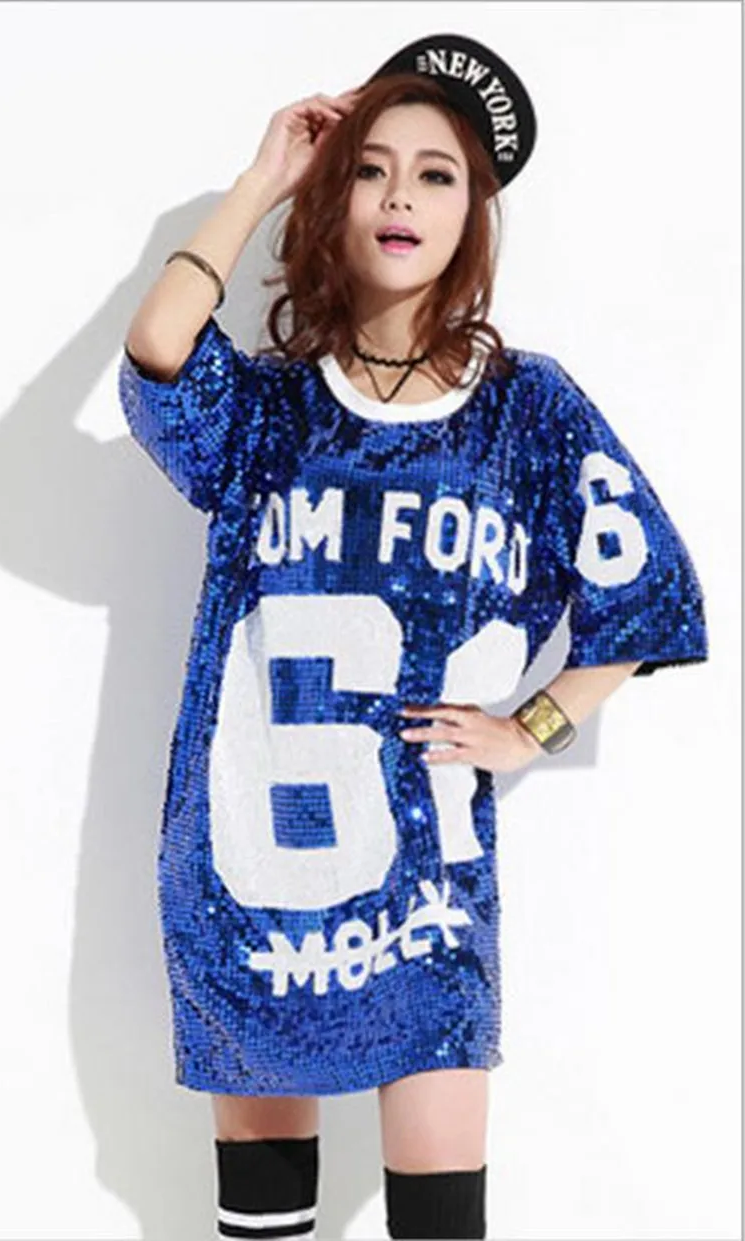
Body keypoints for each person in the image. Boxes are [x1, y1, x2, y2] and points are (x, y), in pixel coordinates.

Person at [118, 33, 708, 1241]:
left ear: (470, 213)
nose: (399, 197)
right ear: (333, 203)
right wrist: (262, 177)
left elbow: (650, 593)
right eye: (370, 170)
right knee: (262, 1224)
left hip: (427, 892)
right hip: (248, 874)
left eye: (434, 175)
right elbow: (161, 350)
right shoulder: (268, 408)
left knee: (440, 1219)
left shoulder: (528, 409)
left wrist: (530, 727)